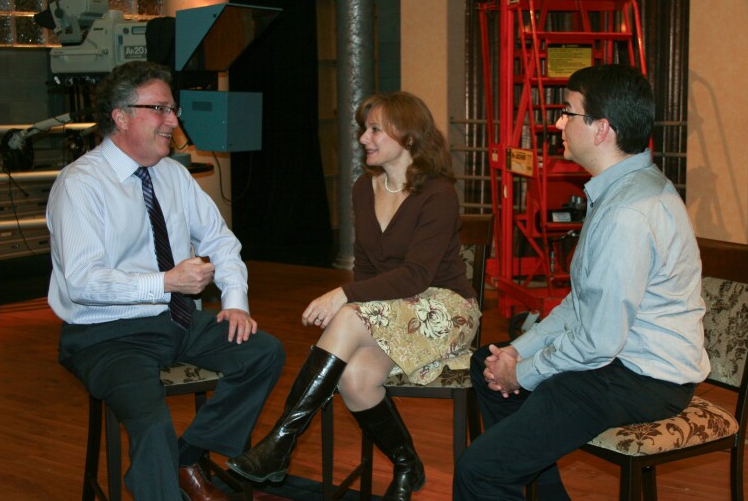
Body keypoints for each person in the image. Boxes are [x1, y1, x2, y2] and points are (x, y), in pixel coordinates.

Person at [453, 64, 711, 500]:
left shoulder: (628, 212)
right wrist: (518, 352)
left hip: (644, 378)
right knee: (488, 363)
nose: (557, 124)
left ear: (601, 129)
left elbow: (597, 342)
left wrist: (525, 373)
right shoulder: (620, 189)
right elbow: (580, 304)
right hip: (620, 360)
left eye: (567, 113)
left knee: (479, 470)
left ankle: (503, 467)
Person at [47, 61, 285, 501]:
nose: (173, 121)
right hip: (105, 335)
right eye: (160, 109)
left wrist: (235, 302)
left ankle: (187, 456)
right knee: (153, 425)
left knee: (263, 352)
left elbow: (221, 240)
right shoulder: (80, 184)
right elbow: (81, 282)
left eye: (172, 109)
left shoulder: (172, 174)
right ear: (121, 117)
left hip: (174, 321)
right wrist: (166, 282)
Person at [227, 91, 480, 501]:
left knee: (346, 315)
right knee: (355, 378)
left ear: (409, 136)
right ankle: (406, 465)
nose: (364, 137)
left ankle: (280, 443)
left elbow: (416, 275)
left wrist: (344, 297)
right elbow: (366, 265)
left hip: (446, 310)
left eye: (375, 129)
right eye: (366, 128)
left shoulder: (438, 193)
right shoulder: (365, 187)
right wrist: (354, 299)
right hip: (393, 310)